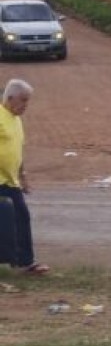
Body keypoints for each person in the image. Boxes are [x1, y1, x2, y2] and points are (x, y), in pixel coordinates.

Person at [0, 79, 47, 274]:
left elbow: (17, 151)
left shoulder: (16, 120)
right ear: (10, 99)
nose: (26, 105)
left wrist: (22, 176)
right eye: (23, 100)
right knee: (7, 218)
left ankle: (26, 262)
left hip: (11, 181)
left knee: (21, 217)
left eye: (28, 101)